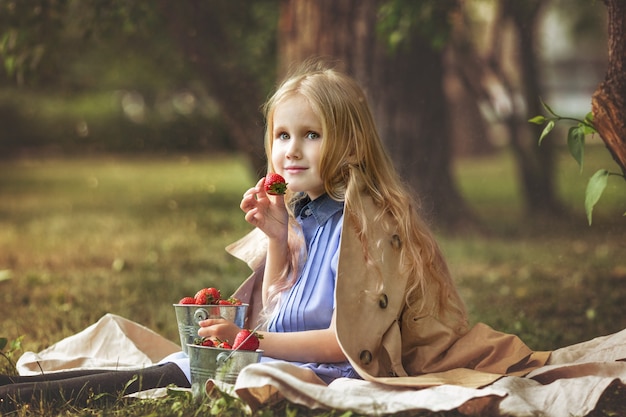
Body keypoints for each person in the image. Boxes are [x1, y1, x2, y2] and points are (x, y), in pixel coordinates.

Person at [0, 59, 549, 411]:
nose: (292, 149)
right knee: (170, 367)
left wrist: (251, 344)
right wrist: (278, 242)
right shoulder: (304, 211)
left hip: (321, 368)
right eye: (283, 135)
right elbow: (276, 310)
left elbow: (344, 340)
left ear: (351, 146)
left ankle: (29, 394)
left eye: (311, 135)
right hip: (278, 355)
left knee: (169, 370)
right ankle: (17, 391)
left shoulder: (370, 226)